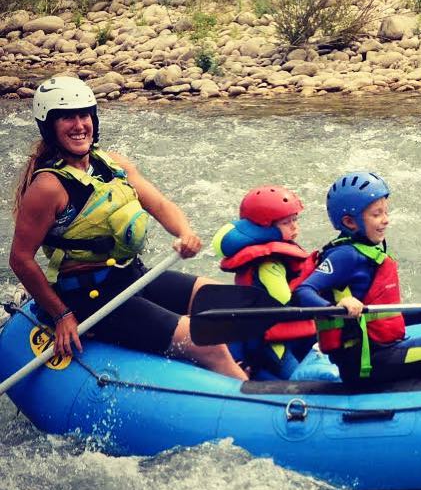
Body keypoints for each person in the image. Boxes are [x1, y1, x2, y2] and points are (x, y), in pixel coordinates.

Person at [9, 74, 246, 379]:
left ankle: (248, 364)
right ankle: (264, 409)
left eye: (85, 115)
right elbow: (20, 259)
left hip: (132, 277)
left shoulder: (111, 164)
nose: (80, 125)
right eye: (67, 117)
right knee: (206, 342)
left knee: (223, 300)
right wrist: (62, 315)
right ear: (49, 126)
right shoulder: (47, 187)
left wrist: (184, 232)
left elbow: (160, 205)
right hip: (91, 298)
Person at [292, 171, 421, 385]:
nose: (385, 220)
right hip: (367, 363)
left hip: (380, 354)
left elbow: (378, 319)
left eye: (386, 212)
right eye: (376, 214)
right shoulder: (345, 255)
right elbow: (302, 292)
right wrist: (337, 305)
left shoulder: (364, 253)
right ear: (350, 222)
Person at [212, 185, 318, 379]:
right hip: (270, 341)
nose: (295, 226)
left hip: (262, 334)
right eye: (287, 222)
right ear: (266, 228)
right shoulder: (269, 265)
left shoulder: (270, 256)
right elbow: (286, 300)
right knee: (298, 377)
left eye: (295, 219)